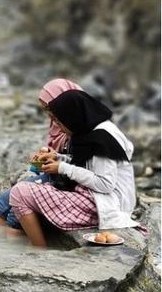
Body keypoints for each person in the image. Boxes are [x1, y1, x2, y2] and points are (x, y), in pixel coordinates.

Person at [9, 90, 138, 246]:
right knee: (26, 196)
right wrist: (58, 158)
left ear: (72, 117)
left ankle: (38, 250)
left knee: (19, 192)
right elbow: (89, 163)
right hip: (95, 197)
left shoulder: (102, 139)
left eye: (59, 121)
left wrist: (63, 168)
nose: (58, 127)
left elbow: (105, 184)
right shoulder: (92, 130)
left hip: (106, 205)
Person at [0, 78, 83, 233]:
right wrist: (45, 157)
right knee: (3, 201)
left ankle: (26, 251)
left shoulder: (77, 125)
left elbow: (78, 162)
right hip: (57, 175)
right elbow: (60, 155)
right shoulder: (58, 123)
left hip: (69, 183)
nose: (49, 114)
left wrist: (55, 160)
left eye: (50, 107)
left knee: (15, 210)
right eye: (46, 109)